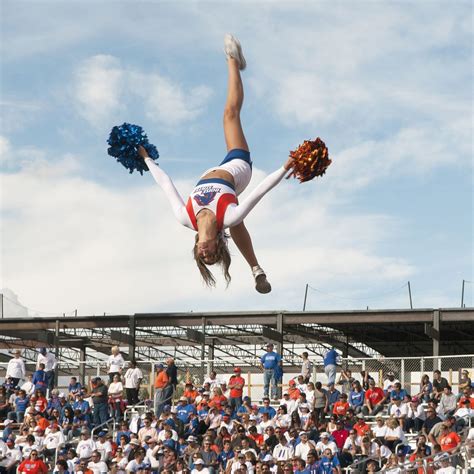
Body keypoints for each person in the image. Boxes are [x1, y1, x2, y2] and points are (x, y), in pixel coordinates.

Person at [138, 34, 297, 294]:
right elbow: (261, 190)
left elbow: (165, 183)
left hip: (216, 167)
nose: (205, 253)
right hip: (237, 169)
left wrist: (146, 158)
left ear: (197, 248)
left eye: (203, 257)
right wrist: (285, 167)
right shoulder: (229, 215)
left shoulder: (185, 217)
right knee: (229, 114)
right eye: (211, 255)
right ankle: (233, 59)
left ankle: (257, 269)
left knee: (237, 225)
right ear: (218, 246)